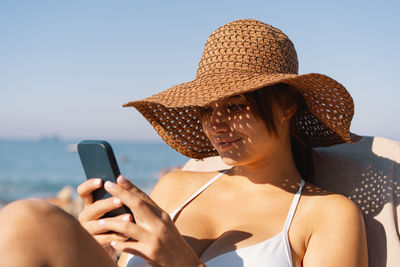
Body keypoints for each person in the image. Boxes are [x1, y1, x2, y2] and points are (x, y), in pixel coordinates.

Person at [0, 19, 368, 267]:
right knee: (30, 219)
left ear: (286, 106)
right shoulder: (176, 185)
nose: (215, 122)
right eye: (206, 109)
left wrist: (181, 261)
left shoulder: (327, 215)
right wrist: (99, 247)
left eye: (236, 105)